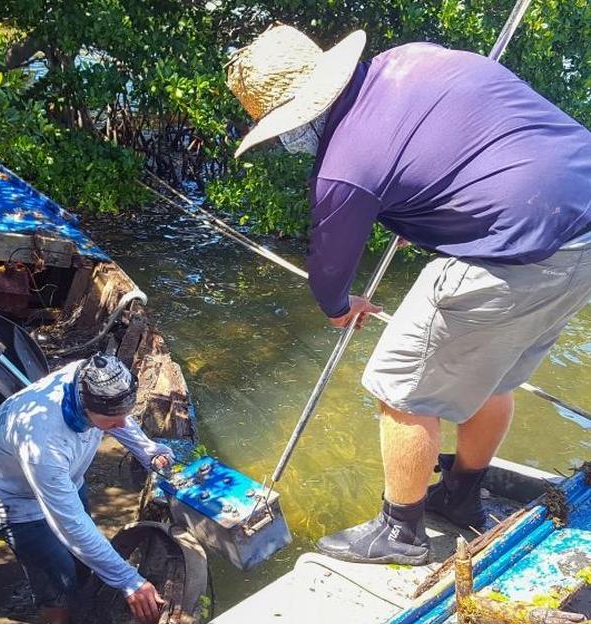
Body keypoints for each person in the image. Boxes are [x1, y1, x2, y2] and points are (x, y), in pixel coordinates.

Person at [226, 24, 591, 565]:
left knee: (400, 387)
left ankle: (400, 532)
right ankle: (461, 495)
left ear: (297, 114)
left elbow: (329, 273)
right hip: (581, 233)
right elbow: (448, 146)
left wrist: (338, 308)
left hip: (518, 246)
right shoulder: (410, 58)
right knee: (493, 375)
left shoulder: (344, 168)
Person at [0, 354, 175, 624]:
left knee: (79, 566)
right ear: (86, 405)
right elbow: (70, 524)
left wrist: (148, 451)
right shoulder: (44, 442)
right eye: (111, 420)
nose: (120, 424)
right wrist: (129, 580)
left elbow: (120, 417)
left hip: (66, 477)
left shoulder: (92, 378)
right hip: (14, 496)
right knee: (57, 577)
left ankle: (79, 604)